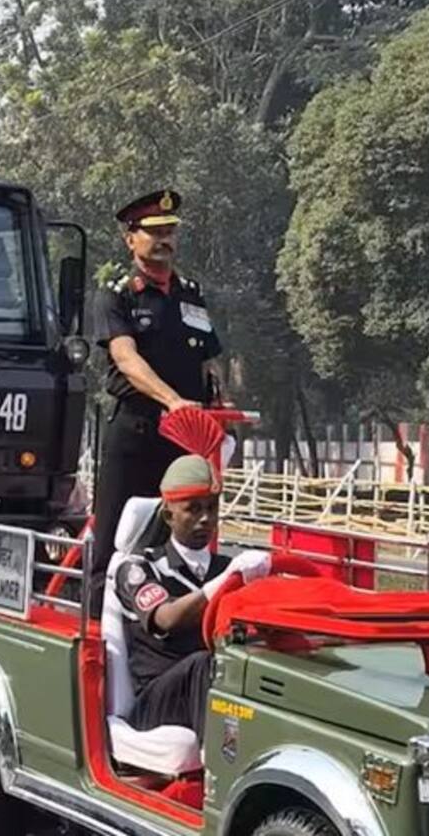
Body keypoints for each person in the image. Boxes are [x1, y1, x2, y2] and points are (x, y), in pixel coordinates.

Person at [88, 188, 225, 607]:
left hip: (183, 442)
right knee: (113, 539)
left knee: (180, 540)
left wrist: (219, 403)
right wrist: (173, 400)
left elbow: (208, 361)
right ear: (131, 239)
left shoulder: (190, 293)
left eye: (170, 231)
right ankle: (98, 632)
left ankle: (170, 623)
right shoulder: (118, 294)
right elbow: (125, 358)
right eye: (153, 232)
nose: (164, 239)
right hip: (136, 432)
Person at [107, 456, 271, 735]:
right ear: (169, 516)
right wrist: (226, 581)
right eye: (193, 510)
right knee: (205, 662)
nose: (205, 518)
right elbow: (167, 618)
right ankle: (215, 767)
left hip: (211, 691)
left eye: (211, 508)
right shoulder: (137, 569)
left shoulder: (223, 568)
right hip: (155, 703)